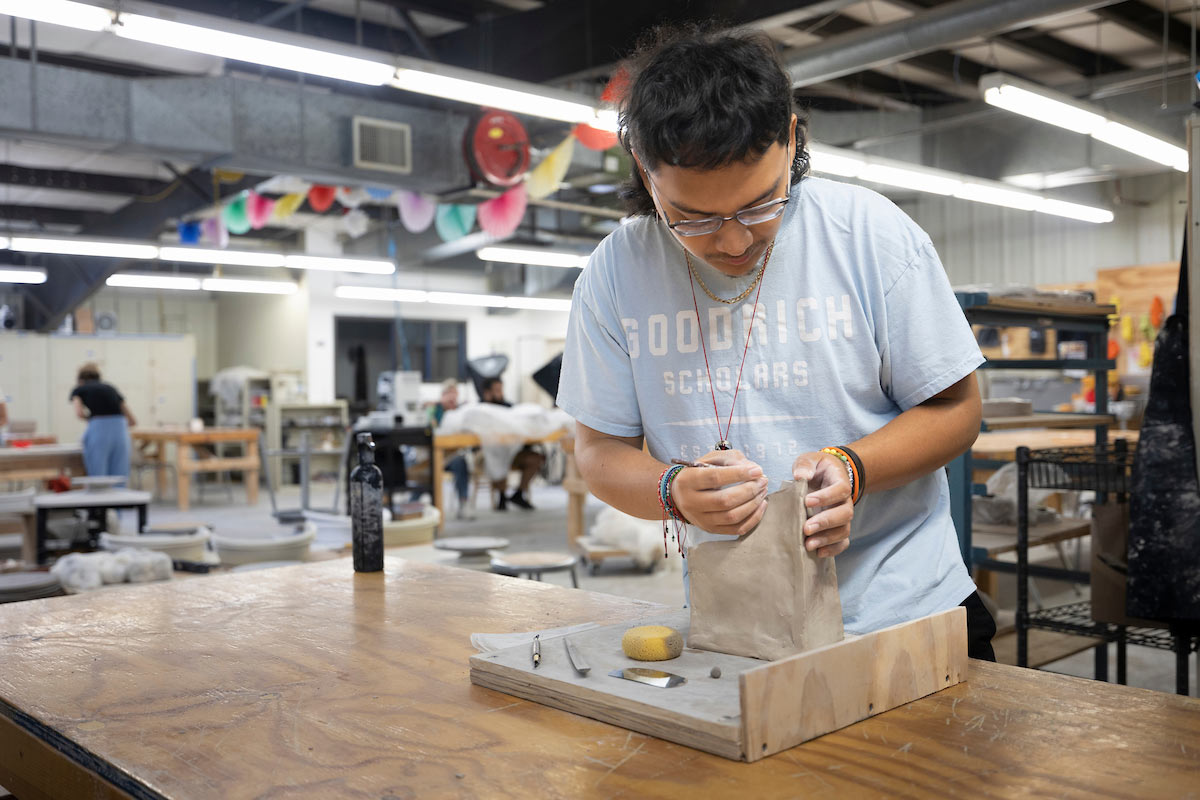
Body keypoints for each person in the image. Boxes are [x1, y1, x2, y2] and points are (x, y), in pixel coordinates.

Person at [556, 24, 996, 661]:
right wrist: (673, 490)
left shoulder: (870, 238)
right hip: (738, 629)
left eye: (761, 205)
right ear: (647, 175)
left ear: (790, 139)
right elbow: (598, 452)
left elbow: (958, 411)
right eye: (695, 219)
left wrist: (854, 467)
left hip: (906, 617)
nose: (733, 242)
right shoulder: (615, 273)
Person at [480, 377, 546, 511]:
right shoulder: (479, 410)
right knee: (497, 455)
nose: (500, 393)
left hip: (513, 453)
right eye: (496, 390)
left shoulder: (510, 408)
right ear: (487, 392)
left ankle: (519, 494)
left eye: (501, 389)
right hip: (486, 455)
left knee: (536, 458)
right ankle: (502, 497)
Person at [70, 363, 137, 485]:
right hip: (120, 428)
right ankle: (120, 503)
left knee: (98, 475)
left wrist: (93, 420)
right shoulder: (110, 388)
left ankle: (99, 502)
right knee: (120, 475)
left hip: (99, 429)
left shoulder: (79, 389)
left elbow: (79, 413)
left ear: (80, 379)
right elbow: (132, 420)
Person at [427, 379, 474, 520]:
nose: (453, 398)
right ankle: (415, 505)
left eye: (455, 394)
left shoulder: (460, 412)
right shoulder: (434, 410)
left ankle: (463, 503)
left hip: (452, 456)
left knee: (461, 463)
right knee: (426, 472)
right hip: (433, 456)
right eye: (449, 394)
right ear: (442, 395)